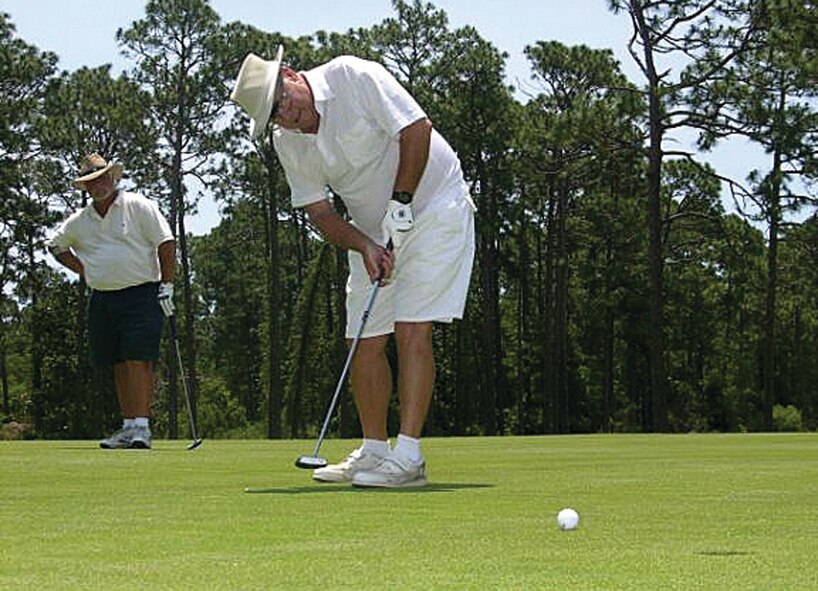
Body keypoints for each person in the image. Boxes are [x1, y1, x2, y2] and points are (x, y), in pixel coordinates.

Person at [231, 47, 476, 488]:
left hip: (435, 206)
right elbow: (321, 214)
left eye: (283, 100)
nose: (287, 115)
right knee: (362, 341)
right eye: (275, 115)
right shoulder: (289, 142)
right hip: (374, 234)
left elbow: (417, 128)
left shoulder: (351, 76)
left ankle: (409, 457)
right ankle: (375, 450)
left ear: (290, 74)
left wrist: (401, 202)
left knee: (411, 327)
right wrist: (364, 245)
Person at [49, 154, 176, 450]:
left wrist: (167, 285)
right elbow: (56, 245)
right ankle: (128, 425)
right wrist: (83, 270)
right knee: (117, 361)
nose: (99, 184)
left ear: (113, 177)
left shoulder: (138, 205)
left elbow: (165, 242)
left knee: (138, 358)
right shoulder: (80, 221)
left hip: (142, 292)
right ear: (86, 187)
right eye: (93, 181)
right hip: (103, 297)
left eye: (103, 177)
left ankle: (142, 427)